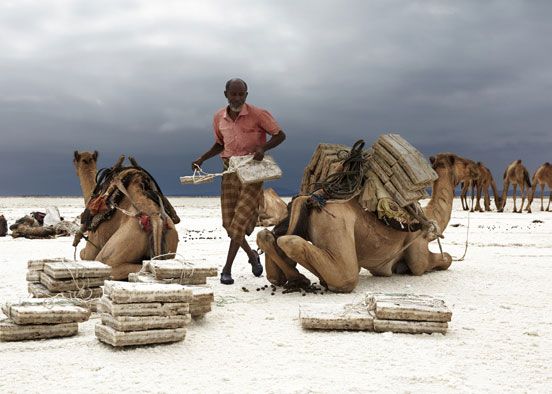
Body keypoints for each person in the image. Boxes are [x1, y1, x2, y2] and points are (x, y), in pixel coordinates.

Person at [192, 78, 286, 285]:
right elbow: (220, 144)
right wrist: (202, 158)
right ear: (226, 94)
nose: (237, 98)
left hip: (252, 172)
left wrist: (263, 148)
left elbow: (280, 135)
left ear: (246, 95)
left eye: (241, 94)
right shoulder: (219, 117)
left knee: (240, 220)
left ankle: (227, 269)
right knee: (228, 223)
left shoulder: (259, 114)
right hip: (229, 171)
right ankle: (252, 255)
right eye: (233, 94)